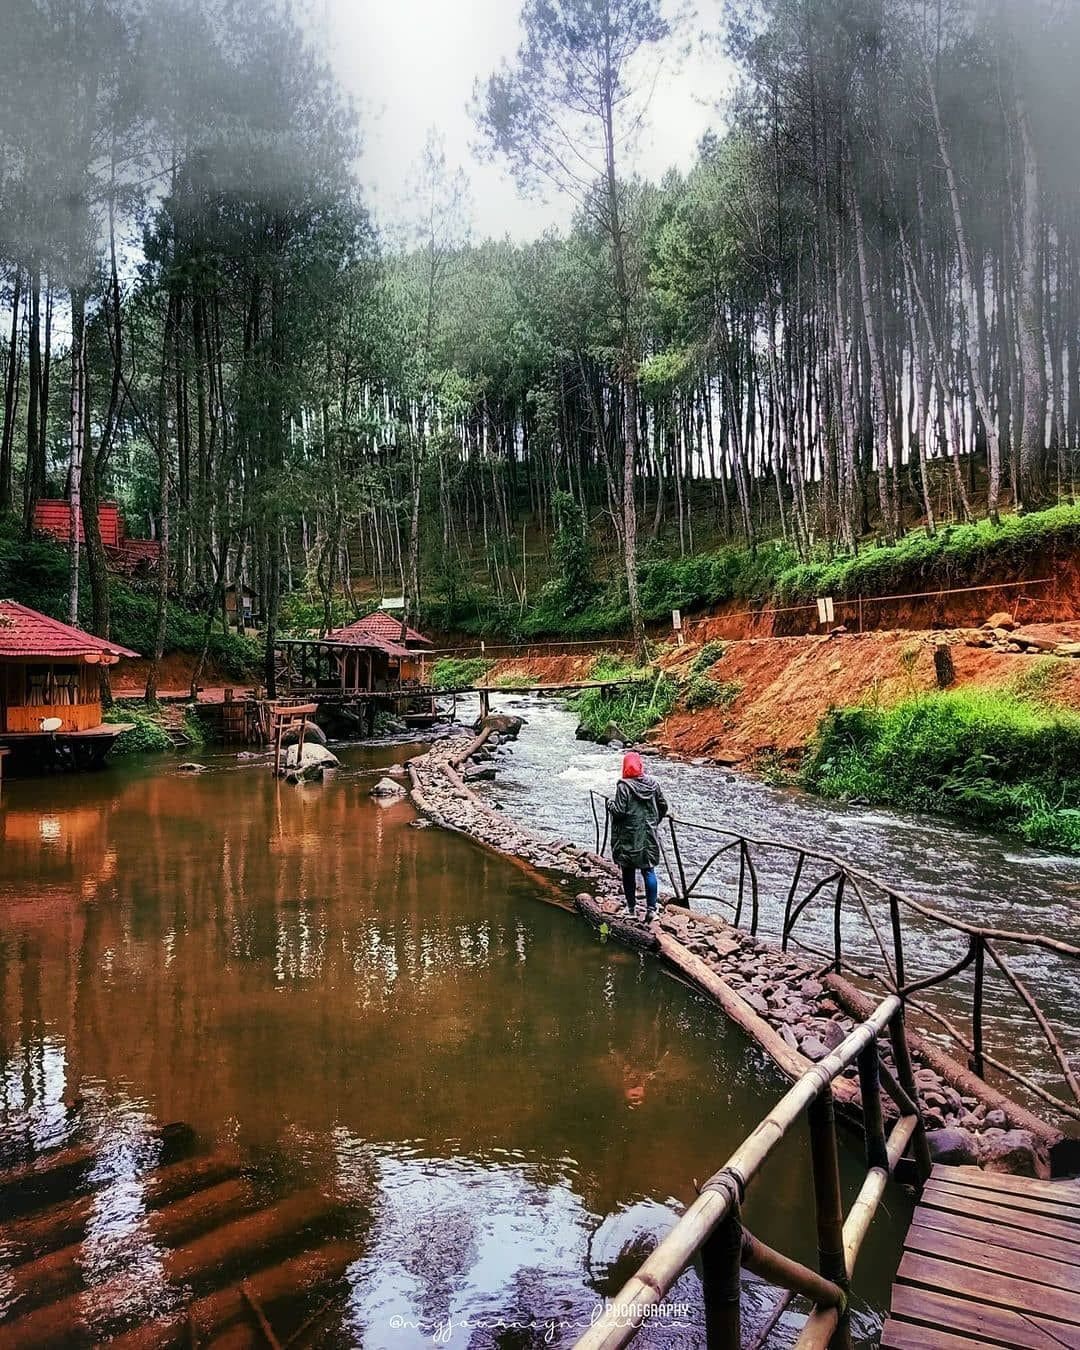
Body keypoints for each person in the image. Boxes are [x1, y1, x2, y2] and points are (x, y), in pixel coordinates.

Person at [609, 751, 669, 922]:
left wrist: (610, 805)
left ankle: (631, 909)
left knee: (628, 871)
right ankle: (652, 910)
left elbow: (619, 811)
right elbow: (664, 806)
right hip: (649, 834)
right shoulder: (653, 784)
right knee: (648, 870)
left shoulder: (624, 786)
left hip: (629, 836)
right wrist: (654, 821)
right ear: (640, 765)